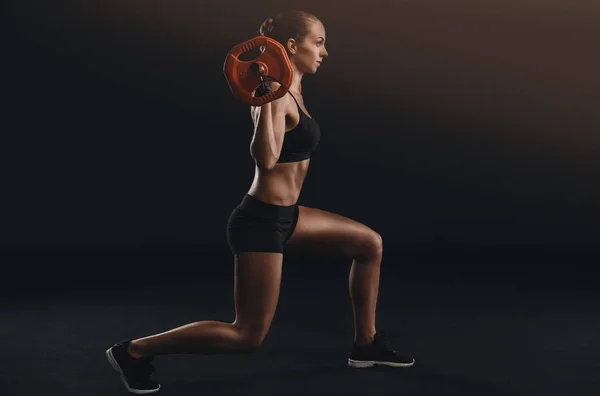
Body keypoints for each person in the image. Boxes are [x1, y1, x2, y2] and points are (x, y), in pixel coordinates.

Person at [105, 10, 415, 394]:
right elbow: (266, 158)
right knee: (246, 336)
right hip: (260, 222)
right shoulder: (276, 94)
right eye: (318, 42)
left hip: (287, 217)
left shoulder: (292, 89)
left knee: (369, 244)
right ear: (290, 46)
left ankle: (366, 345)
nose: (325, 52)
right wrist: (268, 100)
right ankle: (133, 351)